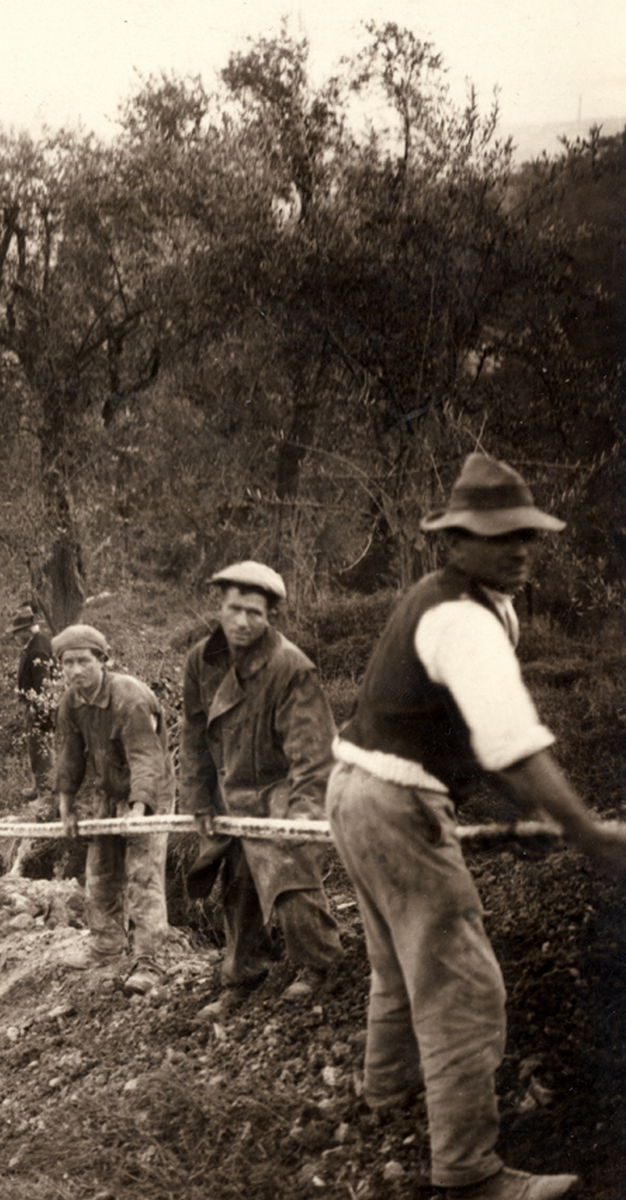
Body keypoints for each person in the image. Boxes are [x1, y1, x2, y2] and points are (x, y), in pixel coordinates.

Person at [326, 454, 626, 1200]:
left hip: (354, 791)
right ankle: (469, 1174)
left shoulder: (463, 600)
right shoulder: (464, 618)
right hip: (393, 803)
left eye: (526, 533)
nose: (518, 548)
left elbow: (469, 735)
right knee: (462, 985)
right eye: (497, 537)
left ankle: (386, 1092)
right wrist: (589, 832)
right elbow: (514, 745)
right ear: (453, 541)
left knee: (397, 961)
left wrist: (518, 814)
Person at [180, 561, 343, 1003]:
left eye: (254, 612)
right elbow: (194, 734)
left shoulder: (291, 667)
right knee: (236, 885)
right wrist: (198, 801)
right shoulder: (201, 661)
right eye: (234, 608)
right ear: (220, 606)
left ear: (269, 614)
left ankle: (319, 966)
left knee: (291, 875)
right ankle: (245, 975)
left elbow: (313, 752)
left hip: (281, 785)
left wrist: (305, 816)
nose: (242, 621)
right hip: (230, 788)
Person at [51, 623, 175, 995]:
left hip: (149, 791)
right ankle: (106, 947)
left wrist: (139, 810)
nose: (74, 671)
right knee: (101, 871)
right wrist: (66, 806)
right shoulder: (70, 703)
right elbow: (70, 758)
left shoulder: (130, 698)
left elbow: (146, 760)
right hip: (109, 788)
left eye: (83, 661)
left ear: (102, 661)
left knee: (142, 873)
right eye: (67, 663)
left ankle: (149, 960)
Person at [10, 605, 56, 803]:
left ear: (27, 630)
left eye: (17, 632)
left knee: (40, 748)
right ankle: (40, 787)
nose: (15, 637)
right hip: (35, 705)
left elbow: (42, 682)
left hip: (39, 707)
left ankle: (45, 792)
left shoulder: (38, 647)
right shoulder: (35, 643)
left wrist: (36, 707)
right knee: (36, 748)